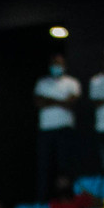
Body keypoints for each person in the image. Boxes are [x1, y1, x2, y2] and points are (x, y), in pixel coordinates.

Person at [34, 53, 81, 189]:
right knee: (44, 166)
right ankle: (43, 200)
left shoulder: (72, 82)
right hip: (45, 129)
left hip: (64, 129)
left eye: (59, 64)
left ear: (64, 66)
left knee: (65, 165)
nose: (57, 66)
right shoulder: (42, 83)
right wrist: (61, 101)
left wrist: (49, 100)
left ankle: (68, 197)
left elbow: (71, 103)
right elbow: (38, 102)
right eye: (54, 64)